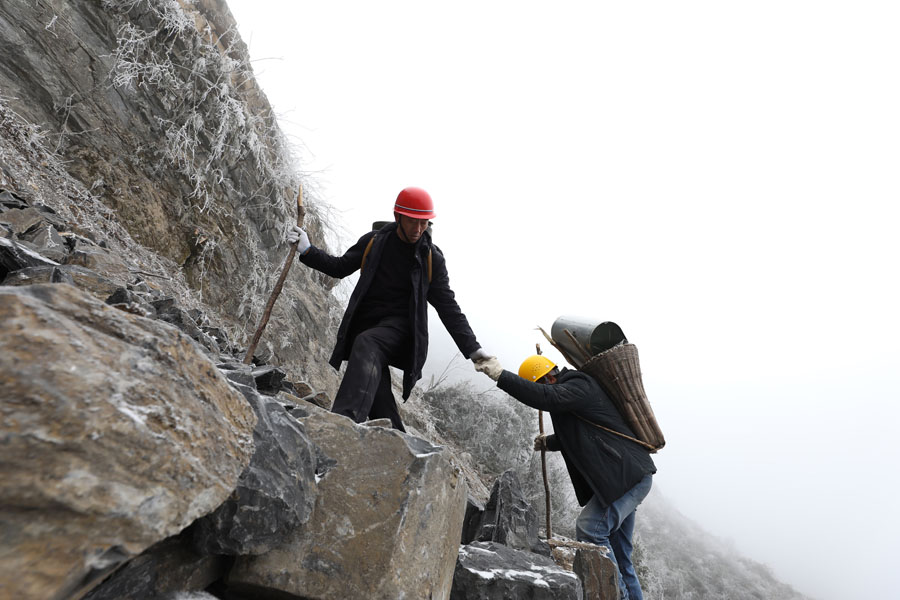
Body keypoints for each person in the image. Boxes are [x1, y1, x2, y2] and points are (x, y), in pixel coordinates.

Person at [286, 186, 492, 431]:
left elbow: (448, 307)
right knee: (379, 398)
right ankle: (399, 442)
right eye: (413, 221)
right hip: (368, 326)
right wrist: (308, 250)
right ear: (398, 217)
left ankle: (342, 426)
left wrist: (473, 349)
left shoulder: (431, 258)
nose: (418, 229)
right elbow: (339, 267)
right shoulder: (374, 242)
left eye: (424, 223)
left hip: (401, 331)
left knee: (367, 343)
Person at [475, 354, 656, 600]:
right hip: (626, 477)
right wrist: (548, 443)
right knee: (620, 554)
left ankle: (618, 596)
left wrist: (501, 376)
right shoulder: (572, 393)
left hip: (625, 477)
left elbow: (547, 397)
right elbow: (579, 432)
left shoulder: (579, 385)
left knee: (591, 529)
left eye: (539, 385)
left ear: (548, 378)